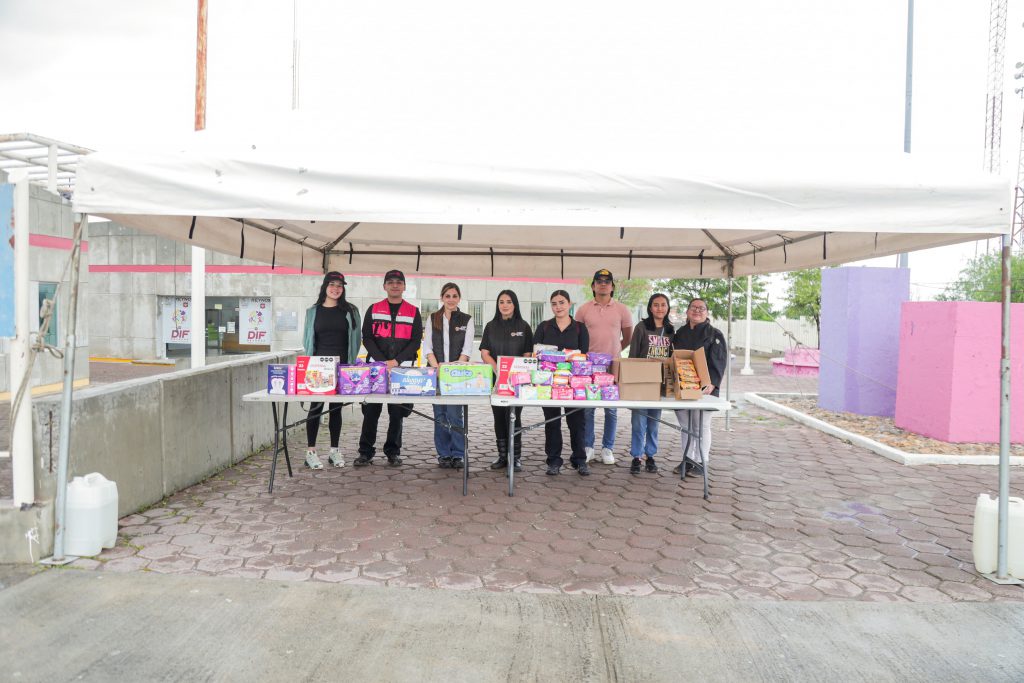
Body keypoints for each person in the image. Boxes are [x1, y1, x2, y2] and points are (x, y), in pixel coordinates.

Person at [354, 269, 423, 467]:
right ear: (384, 286)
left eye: (398, 282)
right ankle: (365, 452)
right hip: (376, 369)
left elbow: (415, 341)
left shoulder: (413, 311)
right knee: (371, 411)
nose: (395, 285)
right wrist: (382, 361)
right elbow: (367, 337)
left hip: (402, 370)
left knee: (397, 413)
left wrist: (396, 361)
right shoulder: (374, 309)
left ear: (404, 286)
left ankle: (393, 451)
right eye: (391, 282)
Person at [301, 271, 361, 469]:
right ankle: (310, 452)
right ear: (325, 287)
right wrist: (309, 365)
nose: (336, 289)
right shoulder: (313, 311)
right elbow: (307, 340)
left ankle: (334, 450)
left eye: (339, 286)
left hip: (341, 367)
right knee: (315, 408)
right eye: (332, 284)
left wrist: (349, 364)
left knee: (336, 409)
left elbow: (356, 339)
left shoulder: (351, 311)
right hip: (318, 367)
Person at [574, 268, 633, 465]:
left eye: (607, 282)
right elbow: (577, 336)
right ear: (593, 286)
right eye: (599, 281)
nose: (603, 284)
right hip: (588, 366)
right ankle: (588, 447)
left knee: (611, 409)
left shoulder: (622, 309)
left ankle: (608, 448)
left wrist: (614, 352)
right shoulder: (583, 310)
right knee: (588, 408)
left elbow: (628, 337)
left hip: (612, 365)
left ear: (612, 287)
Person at [534, 290, 591, 476]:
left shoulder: (580, 328)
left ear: (569, 304)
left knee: (577, 422)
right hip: (549, 383)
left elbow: (583, 356)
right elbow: (536, 355)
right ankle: (553, 461)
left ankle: (579, 459)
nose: (558, 307)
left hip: (573, 384)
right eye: (554, 303)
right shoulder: (544, 327)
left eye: (561, 302)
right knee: (552, 422)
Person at [671, 297, 728, 475]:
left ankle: (701, 461)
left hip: (705, 388)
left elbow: (719, 361)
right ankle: (688, 460)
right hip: (682, 385)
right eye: (693, 307)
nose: (697, 310)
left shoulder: (714, 334)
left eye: (701, 308)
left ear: (707, 313)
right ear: (687, 311)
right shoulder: (680, 333)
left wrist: (713, 383)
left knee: (700, 426)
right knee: (685, 425)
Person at [479, 290, 533, 473]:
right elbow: (485, 353)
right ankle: (503, 456)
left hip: (517, 382)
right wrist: (499, 371)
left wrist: (514, 373)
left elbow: (527, 354)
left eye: (508, 301)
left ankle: (515, 457)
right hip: (496, 380)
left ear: (515, 304)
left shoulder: (524, 326)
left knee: (514, 416)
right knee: (499, 417)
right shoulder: (490, 326)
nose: (505, 305)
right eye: (501, 301)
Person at [422, 282, 474, 469]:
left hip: (457, 376)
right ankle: (443, 454)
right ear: (442, 298)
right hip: (435, 373)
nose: (451, 300)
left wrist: (453, 371)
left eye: (454, 296)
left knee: (455, 415)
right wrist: (438, 369)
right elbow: (427, 347)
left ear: (459, 298)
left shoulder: (466, 319)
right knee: (440, 415)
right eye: (447, 296)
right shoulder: (433, 318)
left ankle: (458, 454)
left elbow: (467, 349)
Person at [627, 292, 674, 475]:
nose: (659, 308)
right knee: (638, 422)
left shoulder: (670, 330)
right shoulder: (641, 327)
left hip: (659, 383)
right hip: (641, 382)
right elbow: (633, 355)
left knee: (654, 423)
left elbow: (673, 357)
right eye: (656, 305)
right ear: (650, 307)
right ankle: (636, 456)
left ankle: (650, 455)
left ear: (668, 308)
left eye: (663, 305)